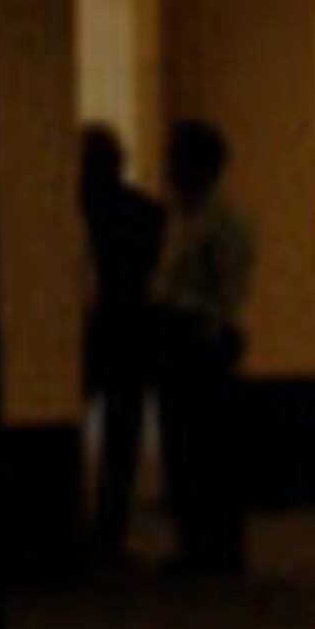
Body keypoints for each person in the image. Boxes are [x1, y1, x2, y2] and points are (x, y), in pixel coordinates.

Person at [145, 118, 256, 576]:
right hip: (174, 335)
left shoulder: (225, 219)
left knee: (211, 448)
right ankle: (192, 541)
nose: (169, 168)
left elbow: (229, 288)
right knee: (182, 446)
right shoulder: (176, 215)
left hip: (204, 339)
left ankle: (219, 545)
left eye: (177, 159)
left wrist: (212, 330)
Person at [77, 125, 166, 568]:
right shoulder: (147, 212)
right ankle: (109, 531)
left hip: (91, 331)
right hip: (132, 332)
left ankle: (82, 526)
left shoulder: (70, 210)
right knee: (121, 440)